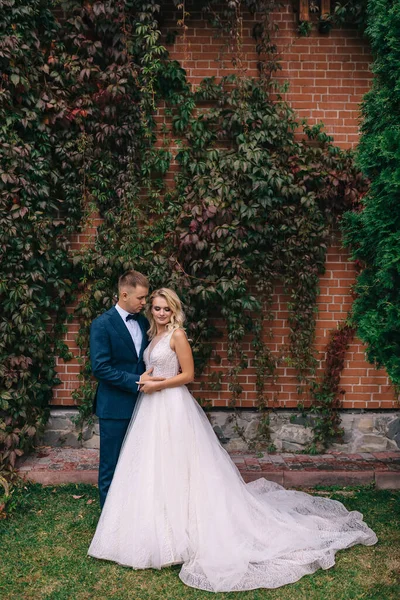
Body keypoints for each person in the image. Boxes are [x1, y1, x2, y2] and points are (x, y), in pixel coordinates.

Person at [88, 288, 377, 593]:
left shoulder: (177, 335)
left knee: (182, 466)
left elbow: (188, 375)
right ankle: (152, 529)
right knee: (152, 466)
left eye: (165, 309)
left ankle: (184, 534)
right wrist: (145, 377)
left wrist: (155, 385)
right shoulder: (152, 335)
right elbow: (145, 367)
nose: (160, 313)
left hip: (171, 404)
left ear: (174, 311)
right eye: (156, 308)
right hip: (149, 408)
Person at [89, 270, 165, 508]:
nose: (145, 303)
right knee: (110, 465)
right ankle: (107, 522)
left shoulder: (143, 322)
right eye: (141, 298)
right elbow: (100, 368)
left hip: (145, 406)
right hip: (114, 406)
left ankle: (133, 514)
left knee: (138, 464)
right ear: (124, 294)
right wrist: (136, 381)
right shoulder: (102, 324)